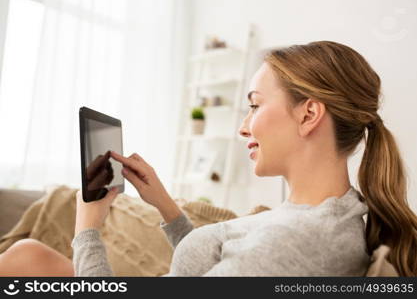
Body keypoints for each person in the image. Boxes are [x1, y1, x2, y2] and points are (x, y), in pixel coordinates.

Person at [1, 41, 416, 276]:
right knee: (30, 254)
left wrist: (86, 229)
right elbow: (221, 272)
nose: (243, 127)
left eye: (254, 106)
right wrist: (165, 206)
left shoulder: (294, 242)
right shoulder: (330, 212)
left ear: (308, 114)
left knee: (24, 260)